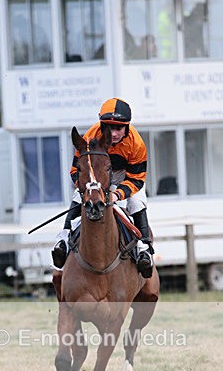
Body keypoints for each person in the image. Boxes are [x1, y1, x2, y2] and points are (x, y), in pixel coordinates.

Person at [51, 97, 154, 278]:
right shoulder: (89, 137)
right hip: (96, 177)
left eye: (119, 128)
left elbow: (137, 178)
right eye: (109, 127)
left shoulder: (137, 144)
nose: (114, 133)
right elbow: (76, 170)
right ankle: (63, 240)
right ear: (101, 125)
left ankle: (144, 249)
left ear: (127, 127)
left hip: (125, 176)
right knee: (77, 196)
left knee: (137, 202)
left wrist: (117, 194)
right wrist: (90, 190)